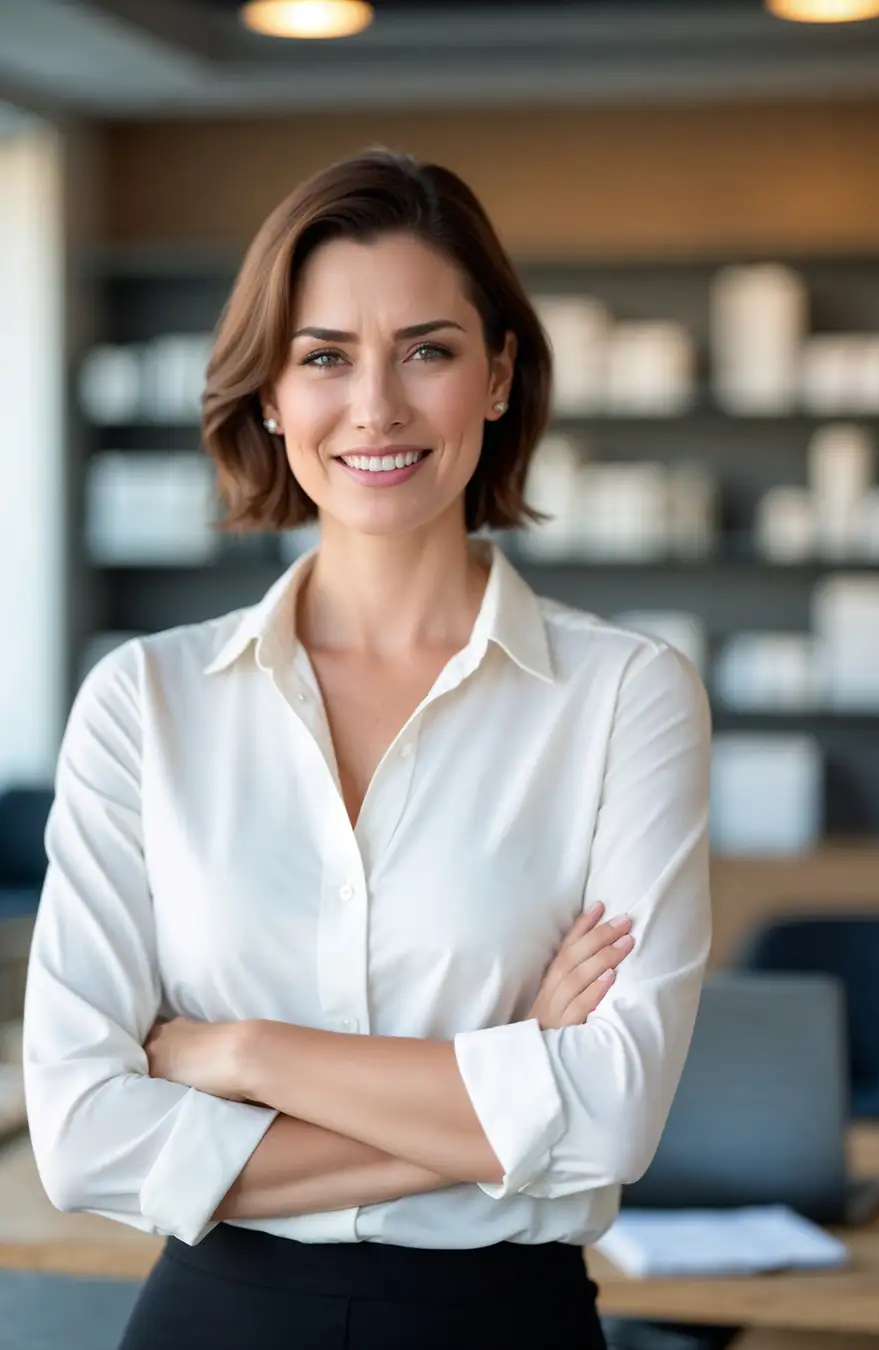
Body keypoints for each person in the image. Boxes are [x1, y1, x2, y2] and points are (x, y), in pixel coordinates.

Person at [22, 148, 711, 1350]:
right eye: (325, 356)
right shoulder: (145, 701)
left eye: (428, 351)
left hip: (501, 1324)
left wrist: (237, 1054)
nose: (377, 406)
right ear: (270, 392)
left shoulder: (625, 696)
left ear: (499, 375)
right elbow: (84, 1139)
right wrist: (511, 1080)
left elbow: (610, 1119)